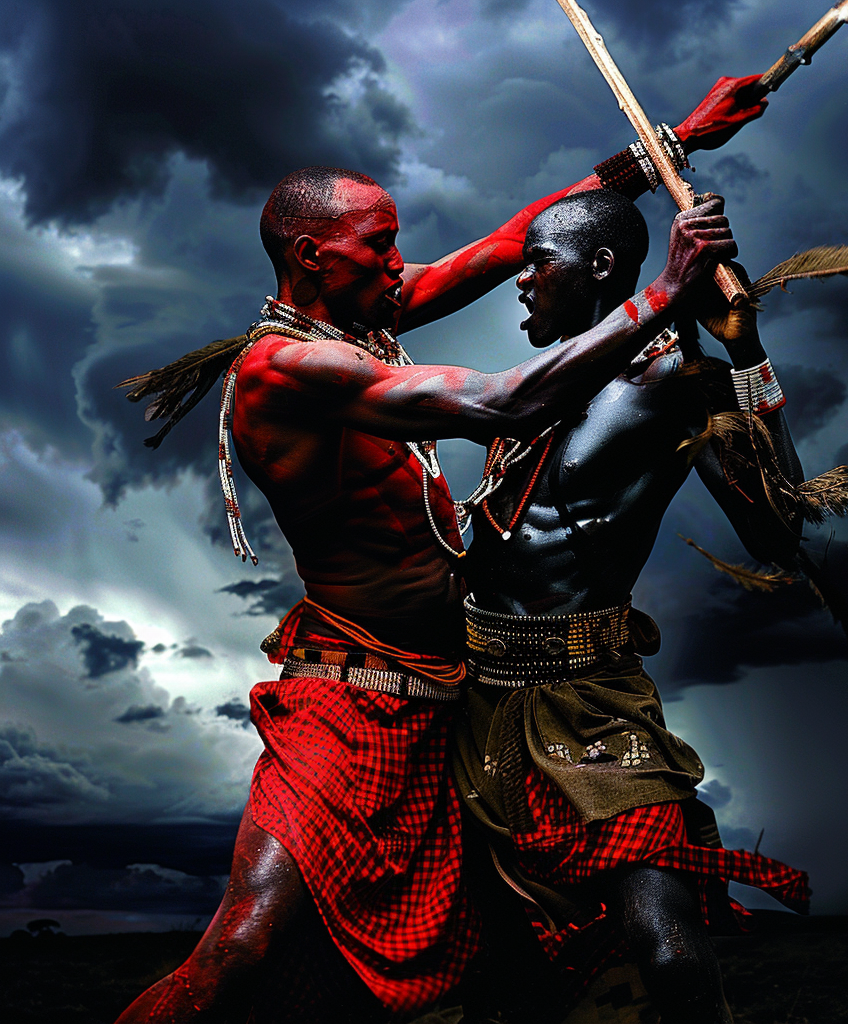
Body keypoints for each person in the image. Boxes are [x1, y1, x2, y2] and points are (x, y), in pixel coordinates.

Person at [113, 95, 753, 1019]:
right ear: (312, 256)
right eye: (379, 244)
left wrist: (673, 144)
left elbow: (506, 242)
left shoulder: (360, 315)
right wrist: (664, 296)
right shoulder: (287, 369)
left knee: (489, 955)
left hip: (446, 698)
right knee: (248, 943)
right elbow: (500, 402)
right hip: (348, 696)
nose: (398, 263)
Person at [453, 190, 815, 1024]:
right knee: (496, 958)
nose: (523, 285)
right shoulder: (533, 388)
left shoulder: (679, 384)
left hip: (592, 704)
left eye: (539, 265)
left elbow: (781, 529)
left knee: (667, 945)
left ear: (603, 269)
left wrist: (746, 345)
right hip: (476, 702)